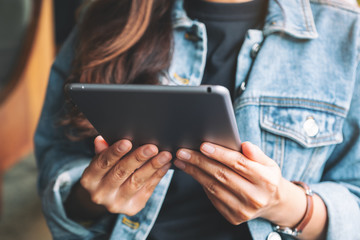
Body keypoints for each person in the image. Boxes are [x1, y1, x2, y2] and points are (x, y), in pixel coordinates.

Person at [34, 0, 360, 239]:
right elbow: (57, 155)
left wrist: (287, 206)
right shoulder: (105, 16)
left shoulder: (347, 33)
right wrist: (91, 199)